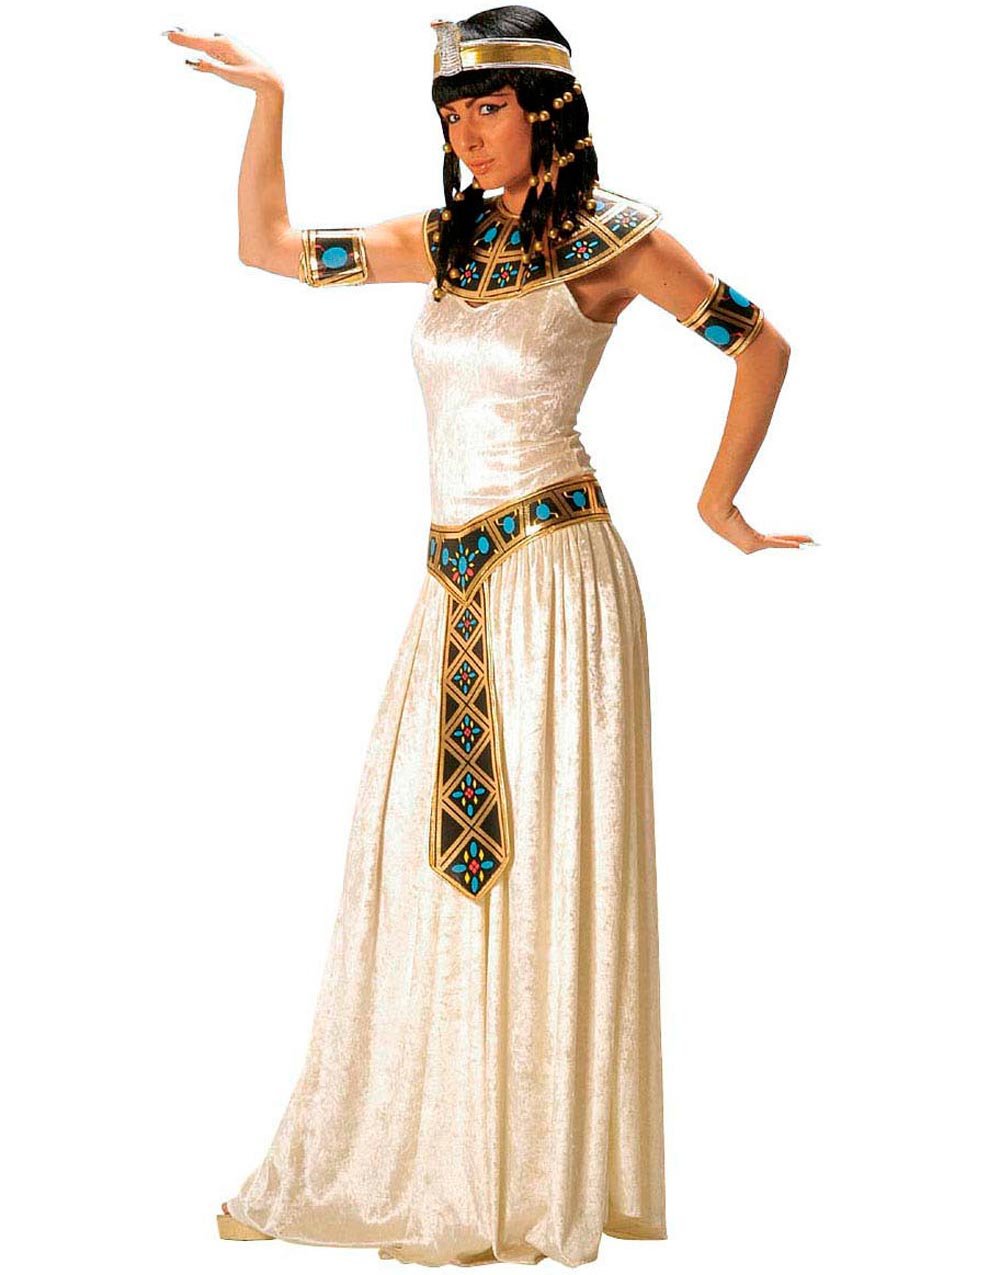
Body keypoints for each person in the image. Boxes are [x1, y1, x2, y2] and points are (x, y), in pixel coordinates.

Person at [164, 5, 810, 1266]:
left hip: (559, 583)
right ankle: (450, 1162)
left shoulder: (615, 243)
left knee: (545, 858)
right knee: (429, 858)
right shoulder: (445, 244)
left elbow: (761, 345)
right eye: (453, 113)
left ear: (547, 110)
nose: (468, 132)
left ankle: (529, 1179)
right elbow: (268, 249)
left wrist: (718, 504)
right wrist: (273, 103)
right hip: (451, 588)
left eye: (489, 107)